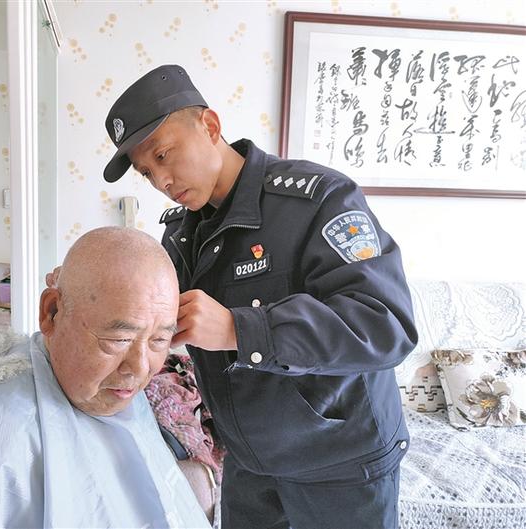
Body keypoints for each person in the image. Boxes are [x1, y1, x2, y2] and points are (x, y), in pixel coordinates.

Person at [100, 64, 418, 529]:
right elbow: (160, 315)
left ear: (210, 126)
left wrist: (239, 328)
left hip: (340, 466)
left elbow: (385, 324)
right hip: (248, 465)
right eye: (147, 172)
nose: (161, 181)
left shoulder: (319, 200)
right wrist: (95, 290)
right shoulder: (181, 235)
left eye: (164, 155)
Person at [0, 227, 211, 529]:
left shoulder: (108, 387)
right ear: (52, 313)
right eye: (119, 339)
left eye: (159, 340)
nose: (140, 368)